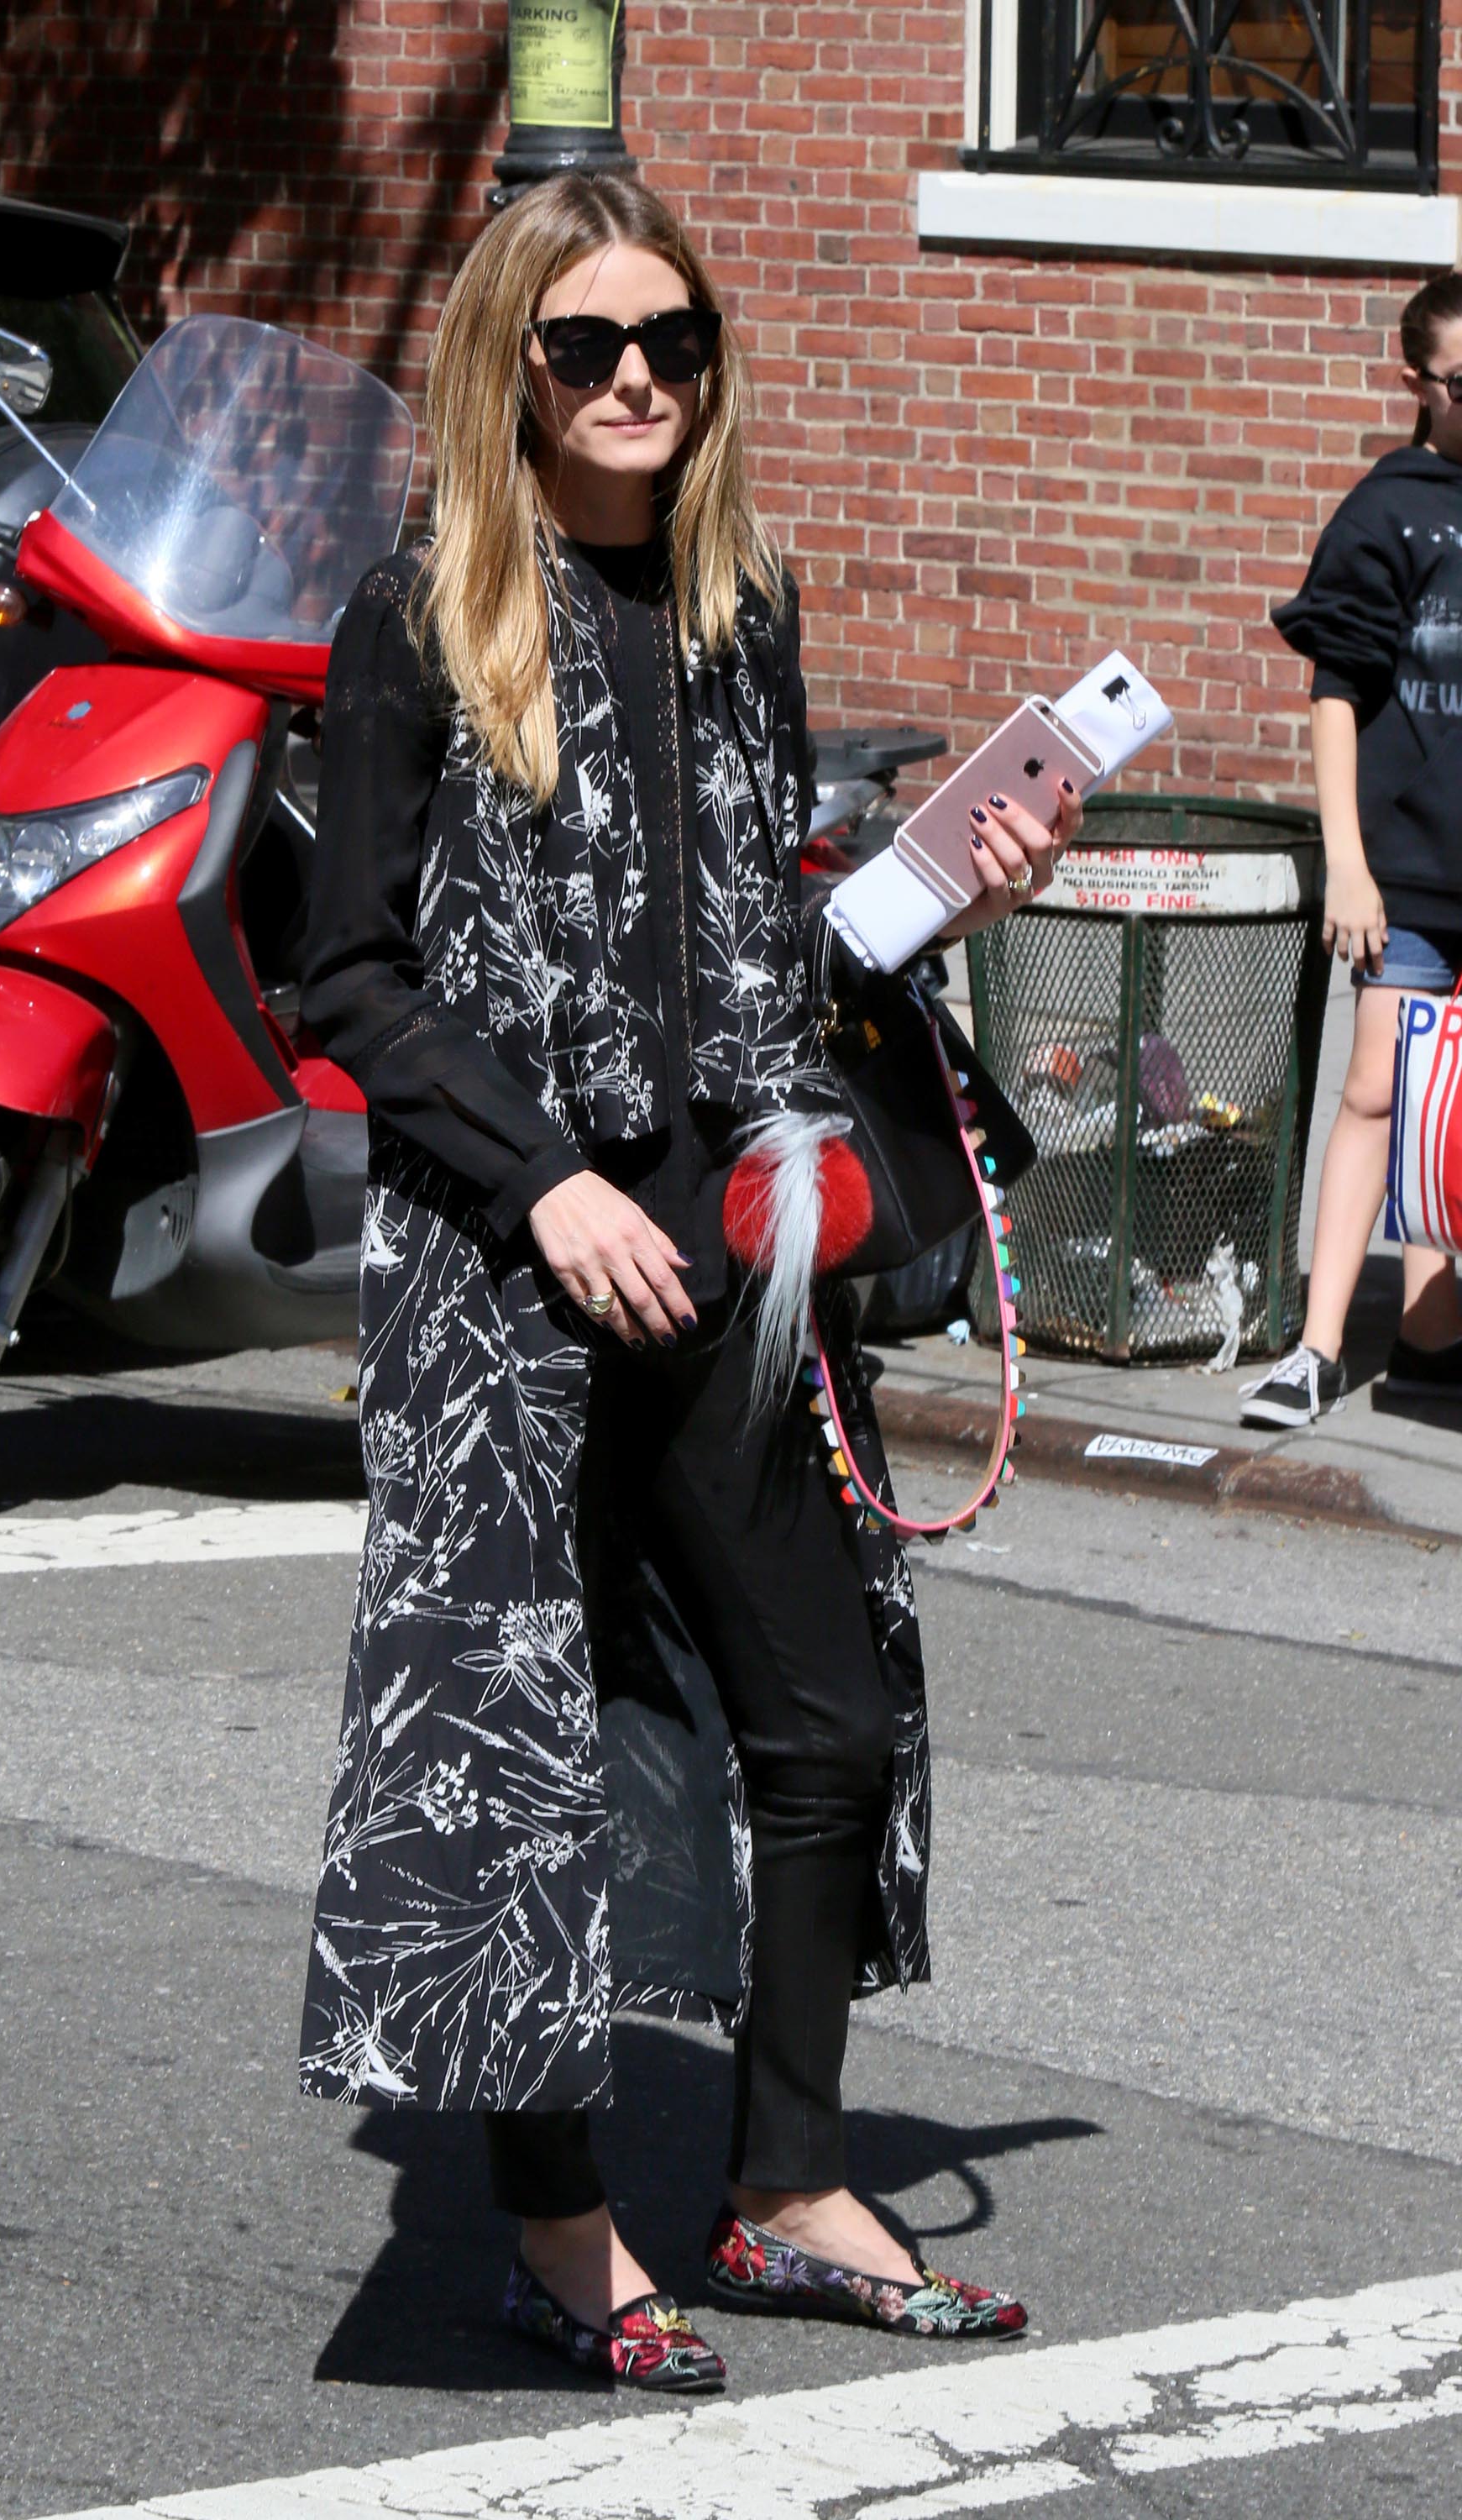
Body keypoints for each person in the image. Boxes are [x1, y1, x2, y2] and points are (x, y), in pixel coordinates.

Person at [296, 171, 1076, 2393]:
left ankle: (789, 2186)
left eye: (674, 342)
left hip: (728, 1262)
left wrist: (958, 884)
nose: (638, 379)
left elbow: (767, 957)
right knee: (514, 1760)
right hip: (511, 1289)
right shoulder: (420, 619)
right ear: (509, 369)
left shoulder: (742, 611)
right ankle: (560, 2234)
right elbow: (343, 970)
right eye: (588, 346)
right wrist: (544, 1186)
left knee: (825, 1719)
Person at [1245, 271, 1462, 1429]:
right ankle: (1321, 1347)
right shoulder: (1390, 509)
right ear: (1418, 383)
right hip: (1413, 873)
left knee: (1453, 1113)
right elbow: (1339, 693)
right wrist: (1351, 864)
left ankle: (1434, 1340)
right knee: (1382, 1091)